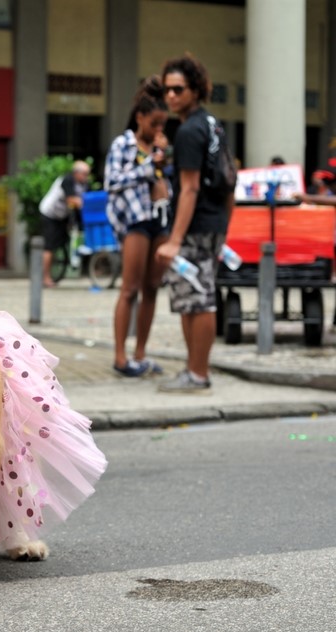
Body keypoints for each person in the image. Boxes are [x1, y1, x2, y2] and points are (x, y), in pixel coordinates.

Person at [155, 53, 233, 394]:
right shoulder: (213, 125)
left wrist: (174, 239)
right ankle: (194, 369)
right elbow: (231, 178)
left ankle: (197, 374)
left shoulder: (189, 130)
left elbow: (189, 188)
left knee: (198, 300)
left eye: (178, 89)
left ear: (196, 90)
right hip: (212, 225)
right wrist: (224, 226)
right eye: (167, 90)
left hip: (195, 226)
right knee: (194, 298)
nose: (171, 96)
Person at [104, 76, 171, 378]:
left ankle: (141, 354)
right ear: (141, 117)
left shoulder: (159, 148)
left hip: (160, 219)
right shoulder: (124, 144)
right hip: (134, 220)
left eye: (163, 124)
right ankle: (120, 357)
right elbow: (112, 182)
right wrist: (149, 165)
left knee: (152, 288)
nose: (159, 129)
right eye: (155, 123)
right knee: (130, 288)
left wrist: (163, 162)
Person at [38, 161, 90, 287]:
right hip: (49, 214)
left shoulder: (84, 184)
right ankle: (45, 278)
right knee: (49, 246)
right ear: (76, 173)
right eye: (84, 174)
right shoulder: (67, 180)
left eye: (87, 174)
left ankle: (62, 265)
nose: (86, 177)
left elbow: (87, 199)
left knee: (63, 241)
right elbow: (71, 199)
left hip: (63, 216)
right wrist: (86, 203)